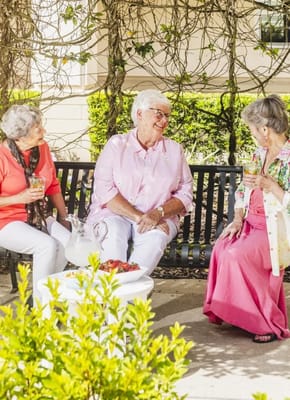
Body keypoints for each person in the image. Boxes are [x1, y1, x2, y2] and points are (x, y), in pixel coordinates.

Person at [203, 94, 290, 343]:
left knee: (237, 255)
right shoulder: (258, 153)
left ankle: (265, 323)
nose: (252, 135)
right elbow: (243, 189)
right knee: (222, 247)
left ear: (265, 129)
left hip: (274, 230)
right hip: (250, 222)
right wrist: (238, 218)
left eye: (252, 131)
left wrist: (271, 185)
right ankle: (237, 313)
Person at [86, 89, 193, 274]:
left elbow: (185, 192)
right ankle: (116, 295)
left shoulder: (174, 150)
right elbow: (104, 189)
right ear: (139, 114)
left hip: (159, 217)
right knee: (113, 234)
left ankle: (124, 296)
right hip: (113, 214)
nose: (164, 120)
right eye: (158, 114)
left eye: (167, 116)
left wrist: (158, 213)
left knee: (155, 240)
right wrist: (139, 217)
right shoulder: (117, 145)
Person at [0, 104, 71, 302]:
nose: (44, 131)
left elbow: (53, 186)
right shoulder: (1, 156)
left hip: (38, 215)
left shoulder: (42, 148)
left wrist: (64, 217)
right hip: (6, 220)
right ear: (20, 136)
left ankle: (39, 298)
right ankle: (42, 312)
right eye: (38, 128)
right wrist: (19, 198)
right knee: (46, 245)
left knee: (68, 244)